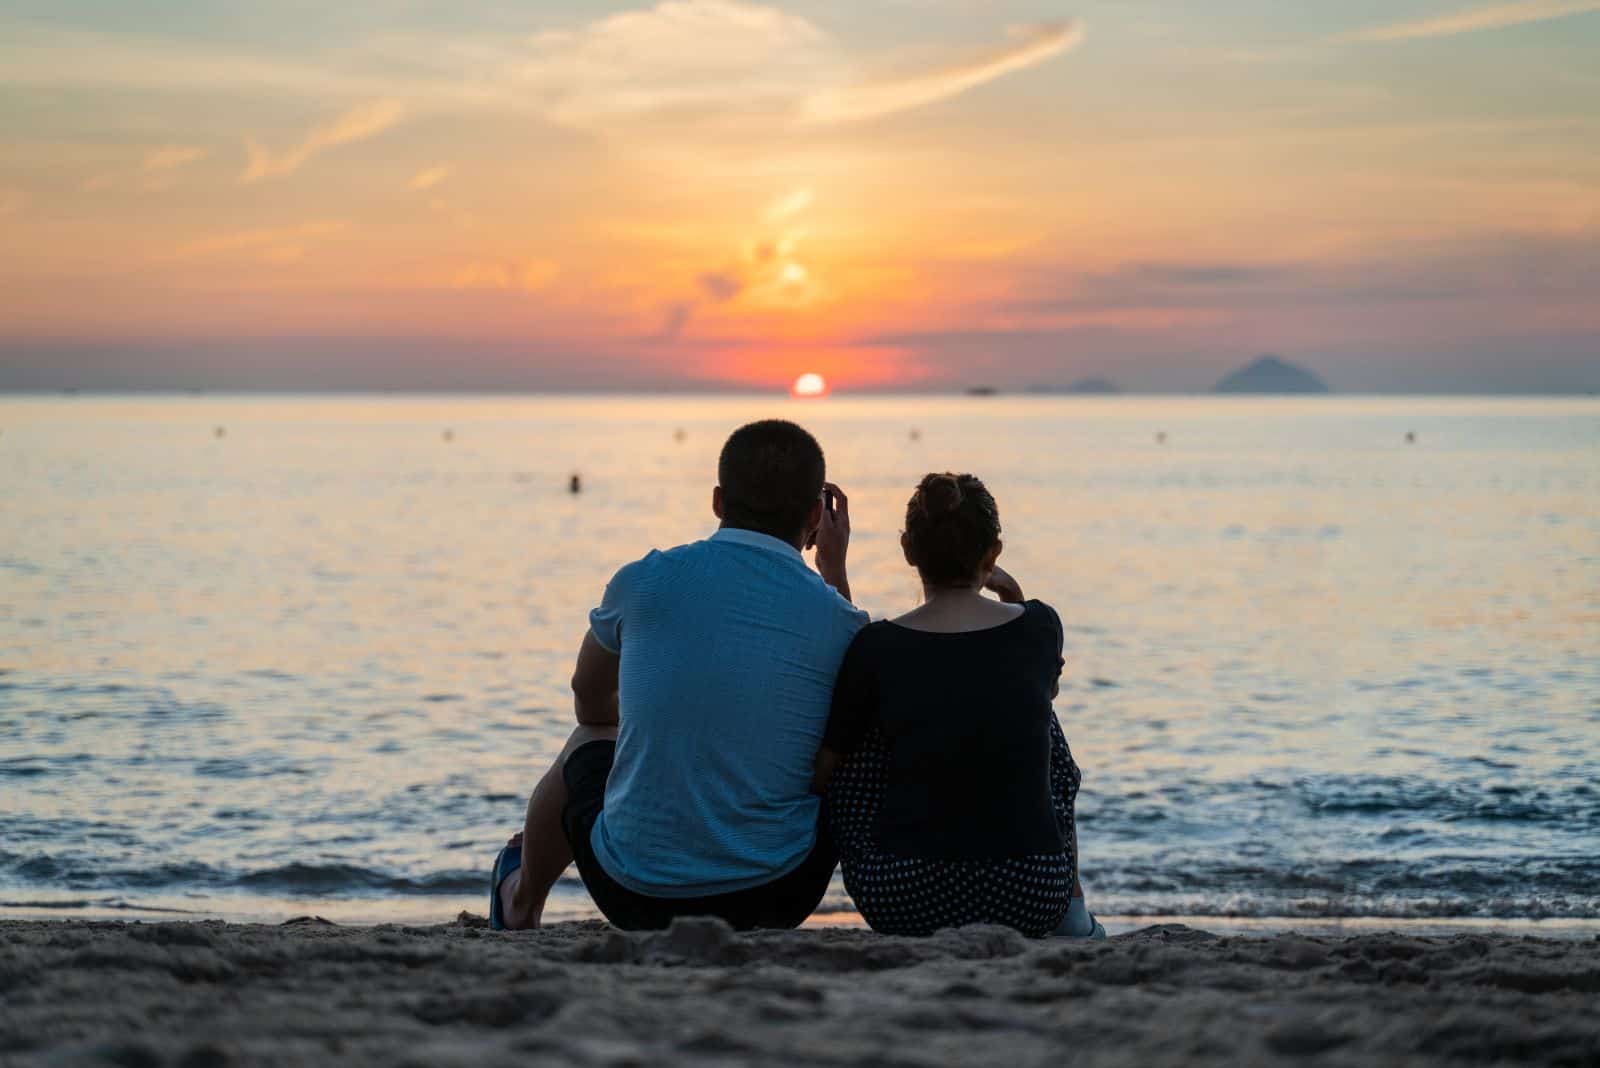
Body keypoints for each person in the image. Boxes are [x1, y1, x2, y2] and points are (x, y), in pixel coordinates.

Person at [491, 419, 867, 930]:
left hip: (634, 894)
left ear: (717, 501)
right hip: (779, 893)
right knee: (846, 747)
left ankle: (522, 902)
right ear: (817, 514)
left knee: (587, 739)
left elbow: (589, 702)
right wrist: (833, 571)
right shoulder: (842, 618)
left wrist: (658, 722)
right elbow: (848, 699)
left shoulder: (643, 580)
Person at [813, 472, 1105, 938]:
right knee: (1042, 726)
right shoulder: (1041, 626)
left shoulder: (876, 647)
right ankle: (1074, 911)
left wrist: (833, 571)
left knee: (860, 732)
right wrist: (1009, 591)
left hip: (905, 895)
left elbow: (824, 773)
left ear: (908, 550)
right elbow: (1029, 690)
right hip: (1031, 892)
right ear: (994, 553)